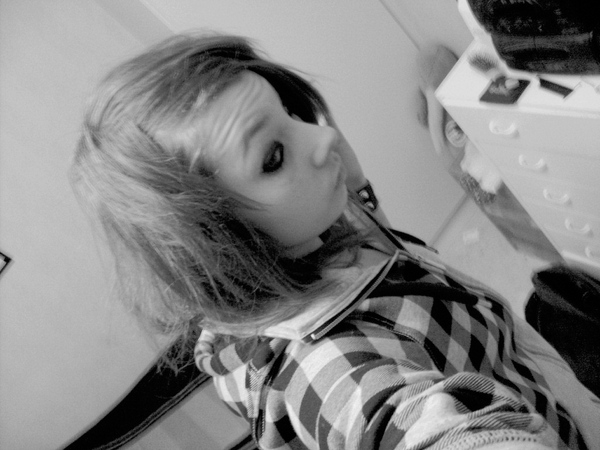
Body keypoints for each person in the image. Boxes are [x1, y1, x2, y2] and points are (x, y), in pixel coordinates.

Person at [70, 32, 600, 450]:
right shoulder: (329, 368)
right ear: (218, 239)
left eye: (292, 113)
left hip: (527, 374)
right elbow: (405, 423)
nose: (323, 137)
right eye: (273, 156)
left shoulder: (300, 235)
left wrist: (351, 184)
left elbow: (374, 230)